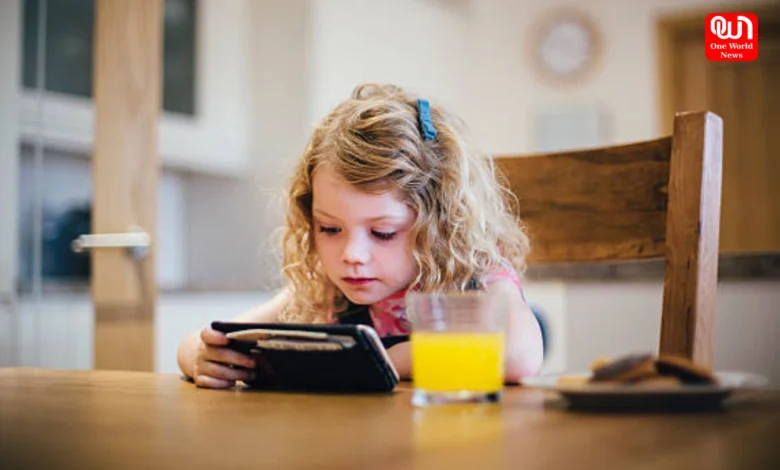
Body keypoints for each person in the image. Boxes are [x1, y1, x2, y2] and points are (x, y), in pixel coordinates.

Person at [176, 83, 544, 389]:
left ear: (439, 225)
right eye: (331, 229)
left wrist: (391, 361)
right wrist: (197, 355)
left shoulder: (476, 274)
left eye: (382, 233)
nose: (352, 254)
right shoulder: (324, 287)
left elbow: (521, 356)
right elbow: (211, 336)